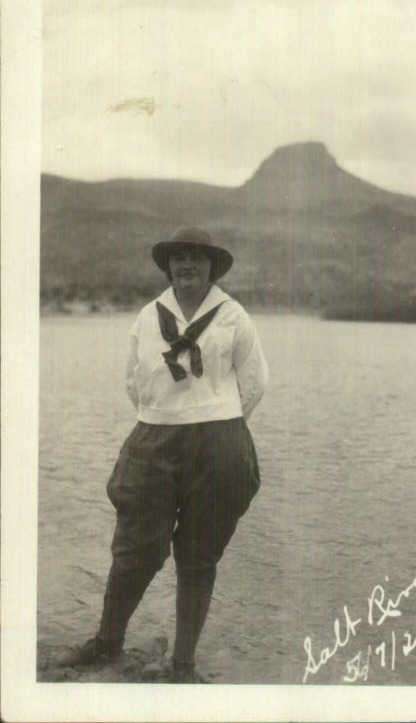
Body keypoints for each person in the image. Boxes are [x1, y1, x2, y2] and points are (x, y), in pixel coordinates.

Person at [57, 226, 268, 682]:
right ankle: (106, 645)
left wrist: (219, 420)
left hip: (219, 447)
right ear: (168, 265)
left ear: (212, 266)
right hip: (155, 439)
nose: (186, 265)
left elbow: (255, 382)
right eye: (178, 258)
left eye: (196, 257)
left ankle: (183, 665)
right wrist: (167, 418)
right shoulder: (148, 316)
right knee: (136, 549)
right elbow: (134, 383)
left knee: (199, 556)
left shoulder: (234, 316)